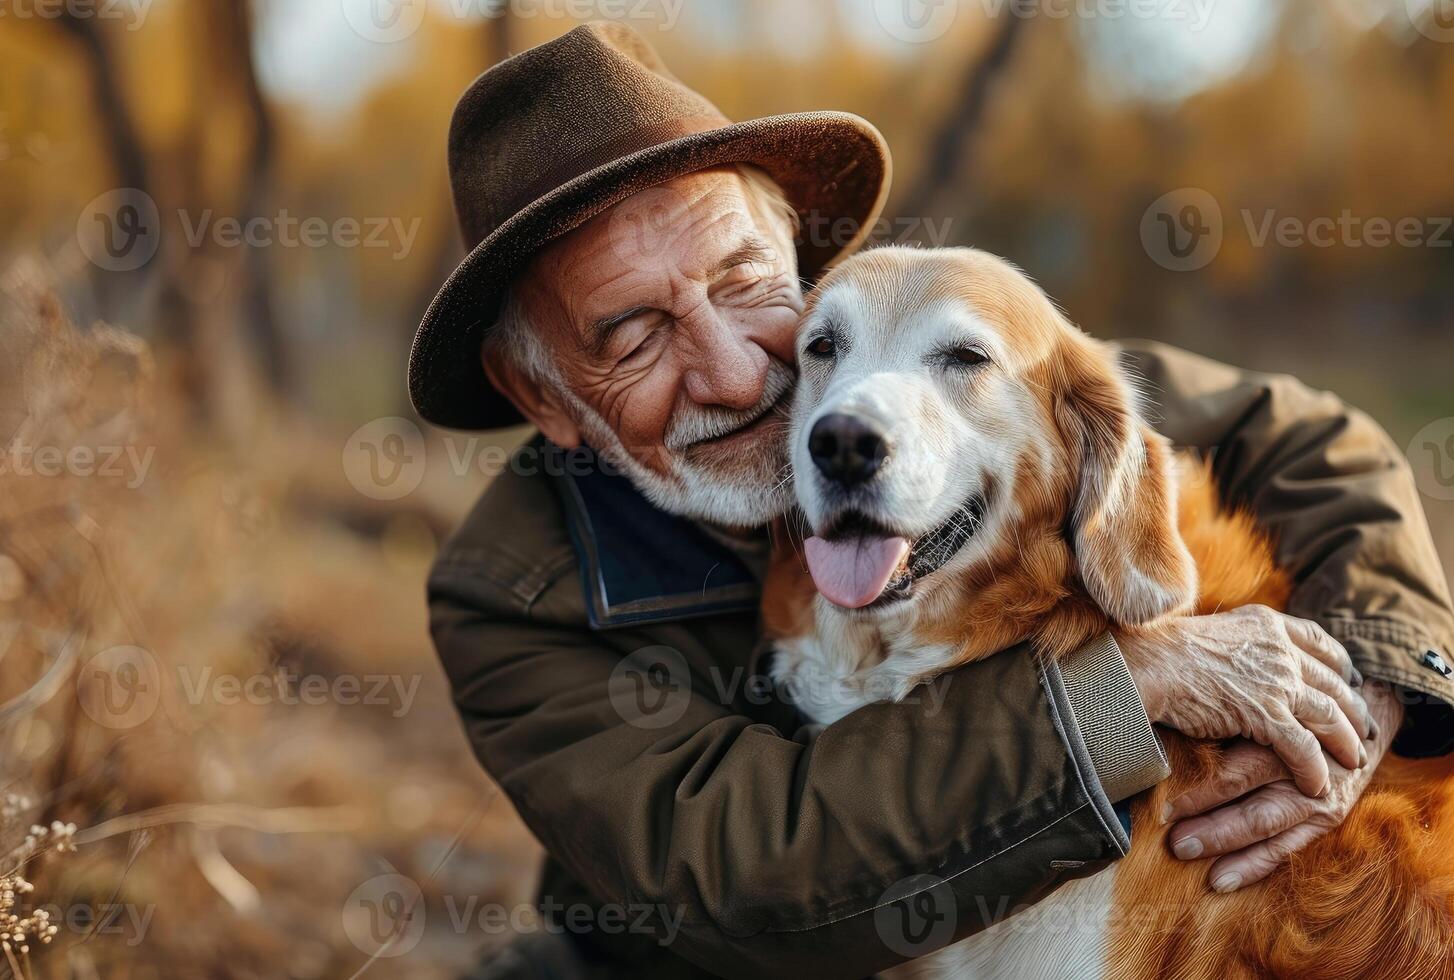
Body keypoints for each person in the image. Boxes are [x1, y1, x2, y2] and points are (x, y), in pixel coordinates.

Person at [411, 22, 1454, 979]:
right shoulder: (504, 595)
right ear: (542, 394)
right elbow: (741, 879)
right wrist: (1121, 683)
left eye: (743, 281)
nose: (735, 376)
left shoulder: (964, 368)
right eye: (634, 333)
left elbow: (1316, 438)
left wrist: (1367, 681)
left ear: (795, 256)